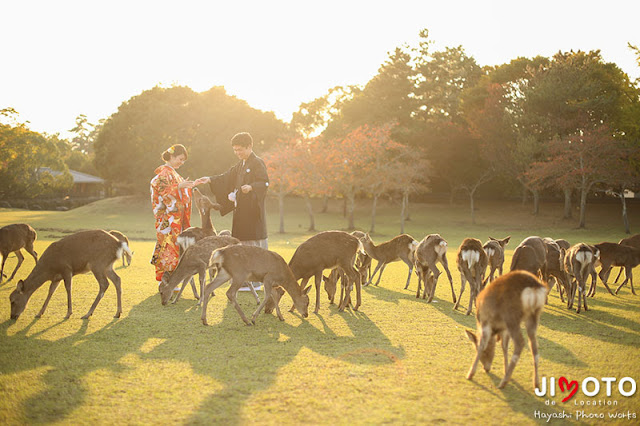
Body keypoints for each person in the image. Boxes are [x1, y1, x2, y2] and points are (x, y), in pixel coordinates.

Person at [201, 132, 270, 290]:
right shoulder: (240, 165)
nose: (237, 153)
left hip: (252, 214)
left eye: (240, 149)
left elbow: (264, 182)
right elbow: (227, 177)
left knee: (252, 244)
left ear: (249, 146)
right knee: (240, 244)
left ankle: (255, 281)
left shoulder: (257, 163)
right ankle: (242, 280)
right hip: (241, 213)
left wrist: (251, 187)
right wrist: (210, 179)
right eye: (235, 150)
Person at [150, 144, 207, 284]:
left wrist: (192, 184)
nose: (181, 163)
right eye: (180, 159)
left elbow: (181, 189)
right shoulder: (163, 174)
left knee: (175, 246)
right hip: (167, 219)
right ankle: (166, 280)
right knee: (168, 246)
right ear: (172, 156)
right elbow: (162, 191)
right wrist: (179, 187)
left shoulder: (173, 174)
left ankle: (172, 279)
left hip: (175, 219)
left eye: (183, 161)